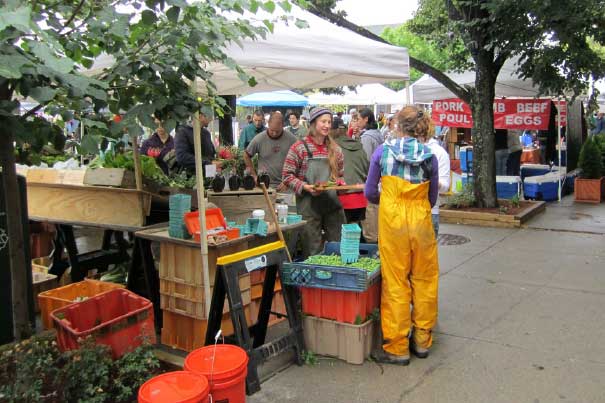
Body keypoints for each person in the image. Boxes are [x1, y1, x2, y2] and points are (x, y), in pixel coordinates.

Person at [365, 105, 439, 366]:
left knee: (396, 281)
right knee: (424, 278)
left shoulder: (382, 152)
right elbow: (432, 198)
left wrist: (386, 200)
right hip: (420, 220)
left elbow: (369, 192)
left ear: (397, 124)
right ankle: (422, 341)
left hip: (393, 220)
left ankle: (397, 347)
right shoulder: (429, 155)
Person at [282, 107, 346, 257]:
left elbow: (341, 176)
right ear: (313, 123)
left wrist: (340, 184)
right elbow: (287, 175)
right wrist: (304, 186)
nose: (327, 125)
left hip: (332, 205)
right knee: (312, 251)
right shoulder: (299, 148)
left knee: (336, 249)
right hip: (308, 205)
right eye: (323, 121)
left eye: (329, 122)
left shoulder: (336, 150)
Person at [244, 111, 297, 188]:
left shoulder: (292, 139)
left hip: (286, 186)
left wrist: (290, 180)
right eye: (272, 130)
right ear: (268, 124)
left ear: (283, 125)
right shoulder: (259, 138)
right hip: (265, 185)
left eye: (277, 131)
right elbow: (246, 155)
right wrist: (254, 175)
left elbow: (301, 160)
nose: (274, 133)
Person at [333, 127, 369, 230]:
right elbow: (367, 168)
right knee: (356, 233)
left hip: (342, 197)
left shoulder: (333, 147)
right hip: (361, 196)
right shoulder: (360, 147)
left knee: (343, 235)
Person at [358, 108, 384, 243]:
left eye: (358, 118)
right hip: (380, 181)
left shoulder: (367, 138)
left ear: (366, 119)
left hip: (371, 181)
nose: (356, 122)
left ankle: (373, 247)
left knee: (371, 217)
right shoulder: (378, 134)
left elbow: (366, 160)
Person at [420, 123, 450, 237]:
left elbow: (445, 186)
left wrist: (431, 181)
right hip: (402, 212)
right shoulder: (402, 149)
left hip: (430, 211)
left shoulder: (438, 152)